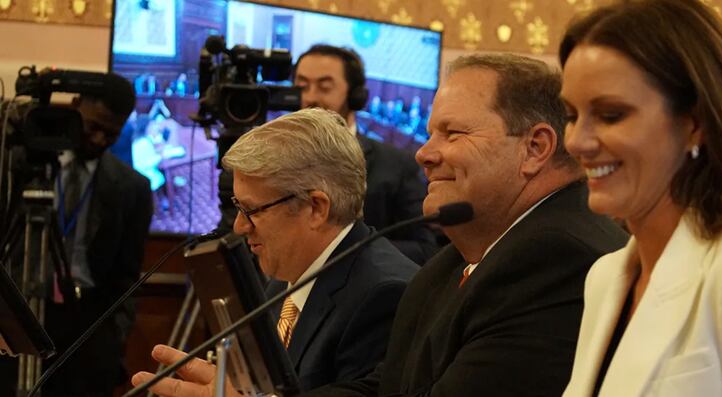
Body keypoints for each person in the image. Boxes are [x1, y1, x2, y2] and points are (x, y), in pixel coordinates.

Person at [132, 54, 628, 397]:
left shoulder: (555, 257)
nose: (424, 153)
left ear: (536, 148)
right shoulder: (463, 254)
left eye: (451, 133)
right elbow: (384, 385)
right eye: (431, 131)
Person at [557, 1, 722, 395]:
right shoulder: (605, 277)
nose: (578, 142)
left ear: (695, 124)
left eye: (611, 115)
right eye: (571, 115)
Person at [132, 108, 419, 393]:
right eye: (237, 207)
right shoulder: (287, 271)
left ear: (316, 208)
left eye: (251, 210)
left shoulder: (384, 295)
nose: (241, 227)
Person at [0, 72, 153, 397]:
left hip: (87, 325)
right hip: (16, 315)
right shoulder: (17, 165)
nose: (98, 139)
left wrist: (115, 337)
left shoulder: (132, 188)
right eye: (92, 126)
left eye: (110, 134)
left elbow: (127, 277)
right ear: (75, 106)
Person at [293, 44, 438, 265]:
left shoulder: (397, 165)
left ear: (355, 95)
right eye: (302, 86)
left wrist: (347, 248)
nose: (310, 98)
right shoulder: (276, 161)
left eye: (324, 87)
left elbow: (425, 248)